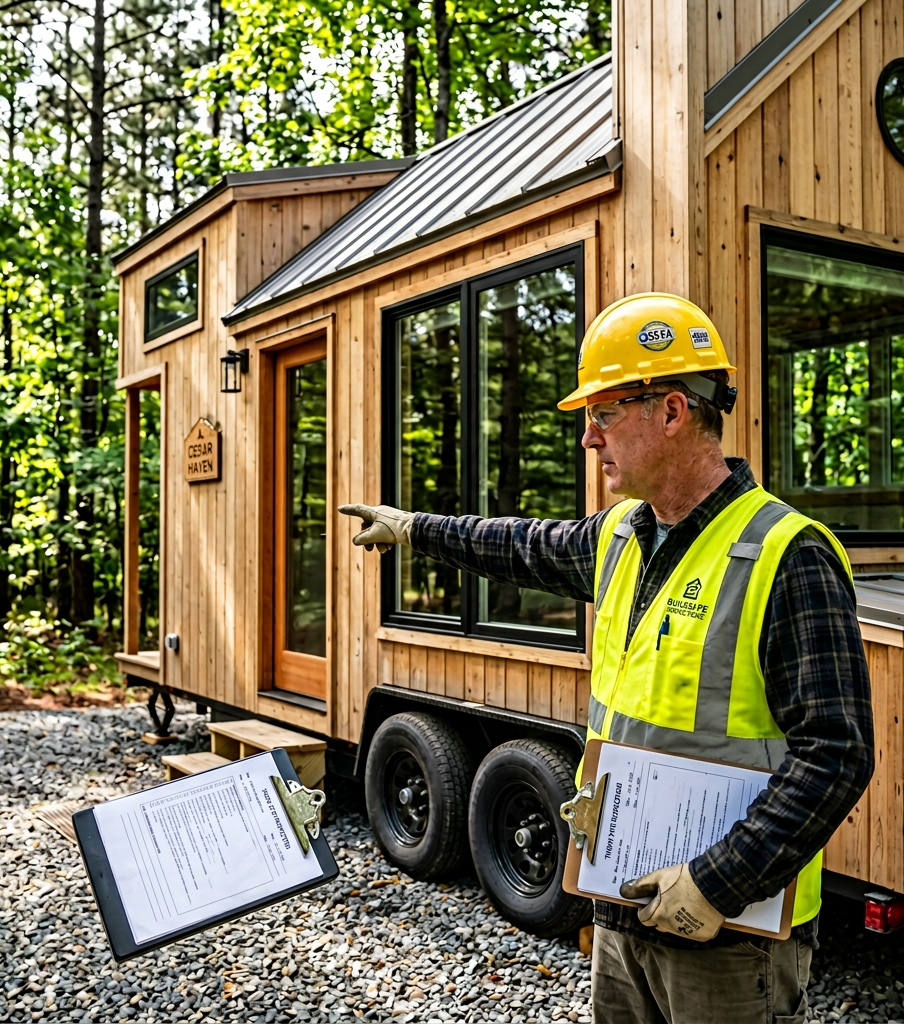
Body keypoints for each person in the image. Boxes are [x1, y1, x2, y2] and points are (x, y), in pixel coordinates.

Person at [339, 292, 874, 1024]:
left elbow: (836, 756)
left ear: (673, 411)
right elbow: (520, 545)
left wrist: (716, 883)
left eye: (604, 413)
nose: (589, 438)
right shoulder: (622, 534)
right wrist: (415, 530)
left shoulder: (787, 554)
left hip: (728, 937)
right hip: (622, 913)